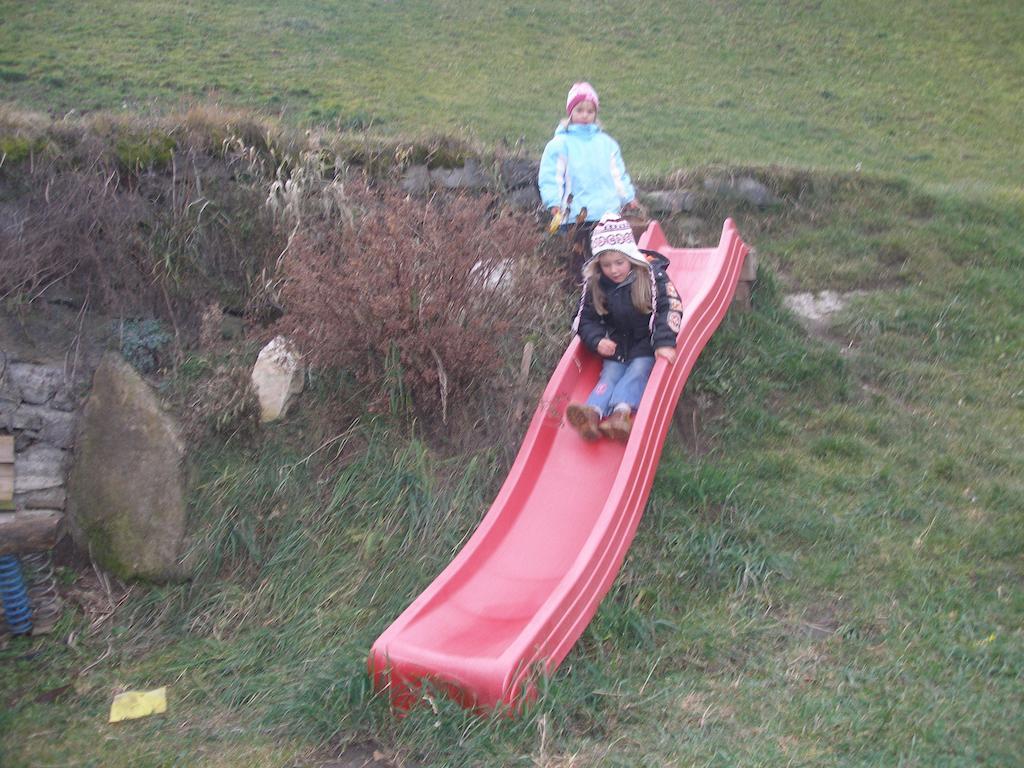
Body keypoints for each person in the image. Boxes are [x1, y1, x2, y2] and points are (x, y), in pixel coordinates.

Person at [565, 215, 683, 442]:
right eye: (606, 265)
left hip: (646, 343)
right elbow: (582, 319)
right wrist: (597, 340)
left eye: (619, 262)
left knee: (637, 372)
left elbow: (670, 306)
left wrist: (664, 342)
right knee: (608, 376)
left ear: (631, 257)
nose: (614, 270)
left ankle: (621, 414)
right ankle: (591, 413)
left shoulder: (651, 277)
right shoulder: (596, 284)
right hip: (616, 345)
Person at [538, 82, 643, 277]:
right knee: (578, 265)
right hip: (576, 216)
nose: (585, 115)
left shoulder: (607, 144)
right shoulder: (560, 145)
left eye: (590, 111)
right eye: (579, 110)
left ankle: (606, 301)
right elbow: (551, 177)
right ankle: (579, 301)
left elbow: (617, 174)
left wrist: (628, 197)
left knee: (608, 264)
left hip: (607, 214)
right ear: (570, 113)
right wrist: (553, 202)